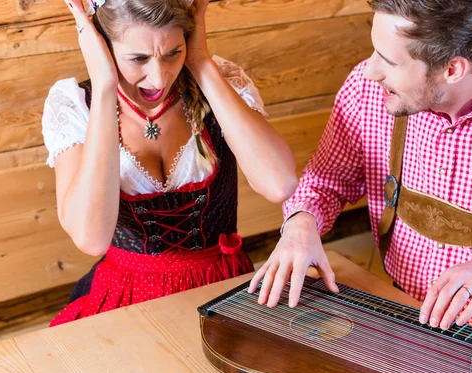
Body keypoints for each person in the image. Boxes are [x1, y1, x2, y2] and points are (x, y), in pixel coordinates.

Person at [249, 0, 472, 373]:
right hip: (399, 312)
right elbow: (327, 179)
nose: (370, 71)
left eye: (388, 60)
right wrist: (301, 221)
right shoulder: (367, 90)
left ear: (452, 69)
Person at [42, 0, 297, 326]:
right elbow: (92, 239)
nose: (159, 78)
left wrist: (201, 64)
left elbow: (280, 184)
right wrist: (105, 88)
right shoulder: (77, 105)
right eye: (138, 59)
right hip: (126, 298)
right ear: (102, 44)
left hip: (220, 288)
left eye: (173, 53)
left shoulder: (220, 83)